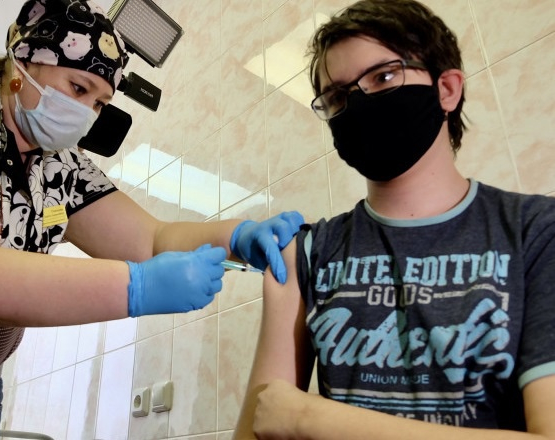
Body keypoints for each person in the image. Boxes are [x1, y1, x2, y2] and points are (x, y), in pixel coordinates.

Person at [0, 0, 304, 438]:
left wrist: (238, 236)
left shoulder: (59, 165)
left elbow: (152, 239)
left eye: (99, 102)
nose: (85, 113)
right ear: (22, 62)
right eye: (78, 88)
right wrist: (135, 289)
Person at [233, 0, 555, 438]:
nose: (358, 103)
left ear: (447, 89)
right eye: (338, 97)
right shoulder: (306, 252)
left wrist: (311, 419)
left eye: (383, 77)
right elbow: (260, 425)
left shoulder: (536, 232)